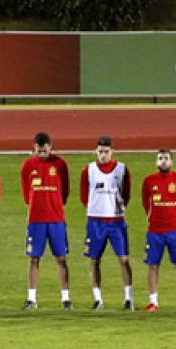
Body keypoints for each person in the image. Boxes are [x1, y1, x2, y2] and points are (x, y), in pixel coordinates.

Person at [80, 135, 134, 310]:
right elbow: (83, 196)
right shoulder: (88, 170)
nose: (103, 155)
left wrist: (116, 209)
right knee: (94, 260)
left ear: (112, 151)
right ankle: (98, 299)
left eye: (106, 151)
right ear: (96, 151)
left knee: (124, 259)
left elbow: (127, 195)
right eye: (100, 151)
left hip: (116, 221)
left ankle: (128, 298)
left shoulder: (122, 169)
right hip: (95, 221)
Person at [20, 131, 72, 310]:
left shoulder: (60, 164)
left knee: (61, 258)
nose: (42, 153)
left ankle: (66, 299)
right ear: (34, 147)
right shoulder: (27, 166)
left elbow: (65, 192)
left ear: (50, 146)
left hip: (56, 219)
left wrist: (54, 204)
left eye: (45, 150)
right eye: (39, 150)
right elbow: (27, 195)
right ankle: (31, 298)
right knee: (34, 258)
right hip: (36, 220)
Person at [141, 148, 176, 312]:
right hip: (155, 231)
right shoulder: (148, 181)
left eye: (166, 158)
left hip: (175, 231)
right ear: (156, 162)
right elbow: (145, 204)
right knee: (153, 266)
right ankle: (153, 302)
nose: (163, 161)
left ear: (172, 161)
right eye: (160, 158)